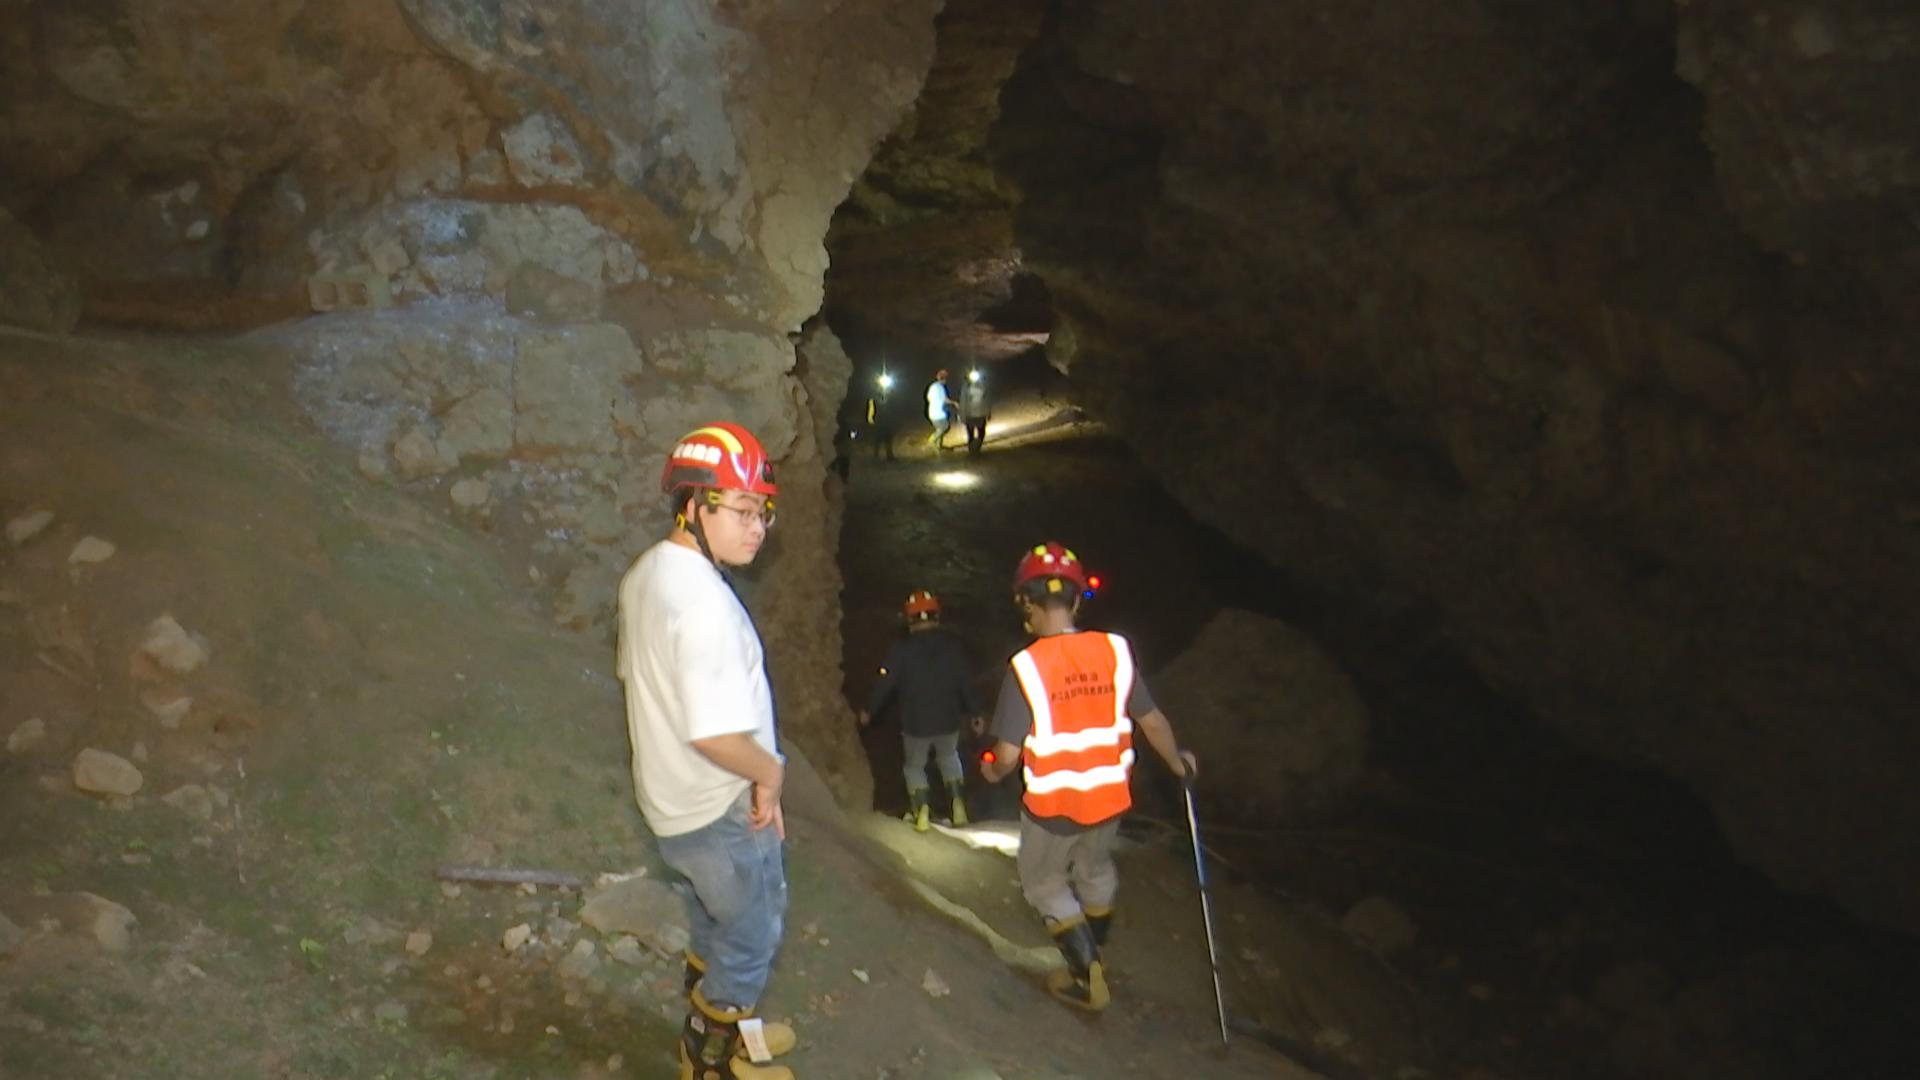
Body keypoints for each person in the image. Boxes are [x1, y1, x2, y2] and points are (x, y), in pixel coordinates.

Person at [617, 422, 798, 1080]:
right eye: (742, 510)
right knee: (751, 936)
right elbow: (713, 732)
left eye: (763, 512)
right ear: (694, 506)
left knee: (711, 920)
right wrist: (769, 775)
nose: (758, 528)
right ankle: (712, 1056)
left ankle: (733, 1027)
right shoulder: (704, 608)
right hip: (715, 810)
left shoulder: (649, 572)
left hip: (669, 803)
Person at [979, 542, 1197, 1013]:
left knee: (1044, 885)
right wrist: (1177, 762)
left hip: (1054, 808)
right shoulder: (1115, 652)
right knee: (1096, 870)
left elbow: (1008, 755)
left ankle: (1086, 976)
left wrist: (992, 772)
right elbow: (1153, 721)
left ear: (1025, 604)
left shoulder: (1027, 668)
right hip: (1110, 798)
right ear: (1077, 601)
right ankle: (1095, 948)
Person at [858, 590, 985, 832]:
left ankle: (922, 809)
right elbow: (964, 680)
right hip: (948, 719)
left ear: (910, 619)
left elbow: (886, 682)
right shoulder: (951, 646)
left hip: (915, 722)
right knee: (949, 758)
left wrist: (868, 710)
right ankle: (958, 806)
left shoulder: (902, 649)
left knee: (914, 766)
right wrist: (976, 711)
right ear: (936, 614)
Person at [865, 373, 897, 462]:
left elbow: (892, 405)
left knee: (888, 437)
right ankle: (876, 455)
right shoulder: (874, 396)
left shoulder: (889, 394)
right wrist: (870, 418)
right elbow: (871, 407)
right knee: (878, 438)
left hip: (887, 418)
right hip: (878, 419)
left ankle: (889, 455)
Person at [960, 369, 991, 456]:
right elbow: (963, 402)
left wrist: (988, 412)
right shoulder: (966, 388)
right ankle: (972, 450)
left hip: (980, 414)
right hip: (970, 414)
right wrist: (962, 415)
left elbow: (987, 400)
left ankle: (977, 447)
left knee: (982, 432)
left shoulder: (983, 386)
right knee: (970, 434)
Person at [925, 369, 954, 454]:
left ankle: (939, 446)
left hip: (932, 412)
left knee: (939, 428)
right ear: (943, 379)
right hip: (938, 413)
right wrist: (954, 403)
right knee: (945, 427)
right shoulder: (940, 387)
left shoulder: (932, 386)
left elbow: (928, 398)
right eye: (945, 378)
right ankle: (931, 441)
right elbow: (945, 400)